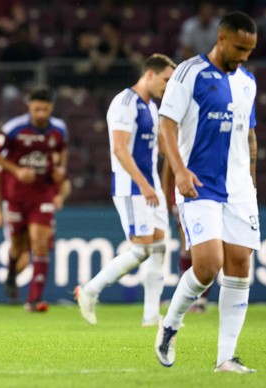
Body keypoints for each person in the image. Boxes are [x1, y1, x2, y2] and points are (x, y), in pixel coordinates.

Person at [154, 11, 260, 373]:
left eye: (250, 49)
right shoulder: (189, 72)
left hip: (239, 188)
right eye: (240, 47)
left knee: (240, 265)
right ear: (222, 39)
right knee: (208, 265)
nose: (245, 55)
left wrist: (252, 181)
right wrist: (180, 171)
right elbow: (165, 124)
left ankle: (225, 358)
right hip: (198, 183)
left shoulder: (248, 82)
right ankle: (170, 324)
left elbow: (249, 135)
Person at [74, 54, 176, 326]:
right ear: (150, 74)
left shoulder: (151, 107)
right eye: (166, 80)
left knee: (159, 248)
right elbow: (119, 148)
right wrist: (144, 185)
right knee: (141, 249)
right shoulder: (124, 102)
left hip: (150, 186)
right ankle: (89, 290)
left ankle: (151, 316)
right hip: (131, 187)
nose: (169, 86)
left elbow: (154, 151)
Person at [0, 85, 67, 312]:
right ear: (29, 108)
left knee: (40, 243)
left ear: (51, 108)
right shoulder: (14, 128)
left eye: (45, 109)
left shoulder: (59, 130)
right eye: (36, 110)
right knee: (18, 248)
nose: (40, 114)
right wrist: (17, 170)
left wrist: (60, 170)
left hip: (43, 193)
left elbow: (61, 154)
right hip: (15, 196)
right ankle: (12, 274)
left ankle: (34, 300)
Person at [0, 167, 71, 304]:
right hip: (16, 206)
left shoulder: (49, 154)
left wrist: (60, 196)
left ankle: (34, 298)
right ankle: (11, 275)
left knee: (40, 246)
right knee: (21, 255)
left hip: (41, 206)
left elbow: (65, 182)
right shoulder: (14, 154)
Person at [161, 159, 210, 313]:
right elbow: (169, 164)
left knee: (209, 249)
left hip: (211, 193)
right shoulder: (178, 137)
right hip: (184, 195)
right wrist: (165, 194)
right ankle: (188, 299)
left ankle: (200, 300)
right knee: (189, 247)